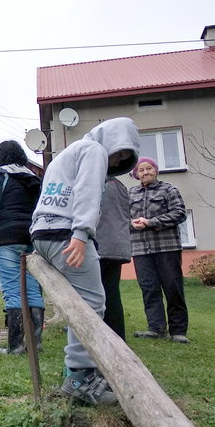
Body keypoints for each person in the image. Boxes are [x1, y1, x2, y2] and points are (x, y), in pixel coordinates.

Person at [30, 117, 139, 406]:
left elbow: (47, 194)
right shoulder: (94, 151)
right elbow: (87, 192)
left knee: (76, 303)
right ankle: (81, 378)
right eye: (119, 151)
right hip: (69, 234)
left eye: (124, 158)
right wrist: (81, 233)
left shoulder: (66, 154)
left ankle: (77, 370)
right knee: (92, 305)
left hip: (43, 232)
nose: (117, 159)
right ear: (111, 138)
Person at [0, 140, 44, 355]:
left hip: (5, 238)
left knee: (12, 292)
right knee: (33, 289)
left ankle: (15, 346)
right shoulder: (33, 178)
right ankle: (35, 345)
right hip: (32, 238)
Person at [128, 157, 189, 344]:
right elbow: (122, 217)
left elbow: (180, 213)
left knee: (173, 288)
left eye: (149, 168)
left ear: (156, 170)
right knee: (149, 289)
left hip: (167, 248)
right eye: (141, 170)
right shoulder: (130, 193)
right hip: (140, 250)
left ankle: (178, 331)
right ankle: (156, 328)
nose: (145, 172)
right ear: (136, 174)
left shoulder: (169, 190)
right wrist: (131, 223)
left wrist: (151, 222)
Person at [96, 176, 130, 341]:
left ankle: (104, 337)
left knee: (98, 293)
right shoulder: (120, 185)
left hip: (100, 244)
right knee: (112, 292)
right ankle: (118, 337)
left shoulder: (99, 185)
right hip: (117, 245)